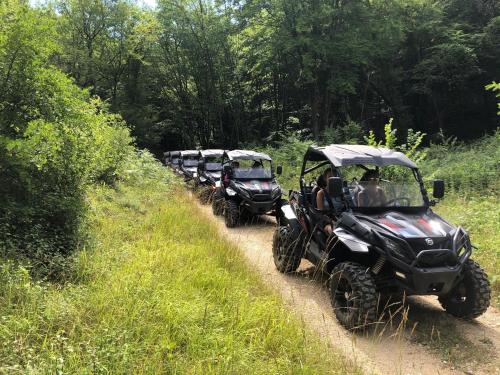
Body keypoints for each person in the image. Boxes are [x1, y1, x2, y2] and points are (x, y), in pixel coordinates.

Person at [315, 168, 342, 235]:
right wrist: (331, 221)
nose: (333, 179)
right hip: (327, 221)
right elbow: (321, 214)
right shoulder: (321, 193)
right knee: (333, 231)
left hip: (342, 219)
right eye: (330, 177)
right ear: (325, 178)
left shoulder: (342, 192)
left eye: (335, 177)